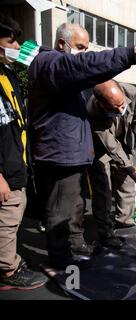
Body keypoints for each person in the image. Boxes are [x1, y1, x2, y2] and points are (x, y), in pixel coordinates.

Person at [28, 23, 136, 269]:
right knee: (60, 210)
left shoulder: (70, 78)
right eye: (80, 47)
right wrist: (126, 54)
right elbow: (83, 67)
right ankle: (61, 260)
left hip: (71, 154)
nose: (84, 53)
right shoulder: (52, 64)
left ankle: (73, 245)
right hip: (60, 155)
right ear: (62, 44)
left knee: (73, 203)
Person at [0, 13, 47, 290]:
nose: (16, 47)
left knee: (11, 217)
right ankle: (8, 269)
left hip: (15, 162)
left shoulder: (7, 74)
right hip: (4, 171)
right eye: (11, 41)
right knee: (8, 220)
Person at [87, 80, 136, 248]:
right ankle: (105, 233)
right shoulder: (93, 109)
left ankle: (125, 223)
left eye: (122, 105)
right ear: (102, 104)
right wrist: (133, 172)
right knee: (103, 190)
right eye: (114, 109)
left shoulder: (133, 92)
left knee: (126, 185)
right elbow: (111, 146)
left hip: (125, 141)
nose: (121, 111)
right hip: (99, 148)